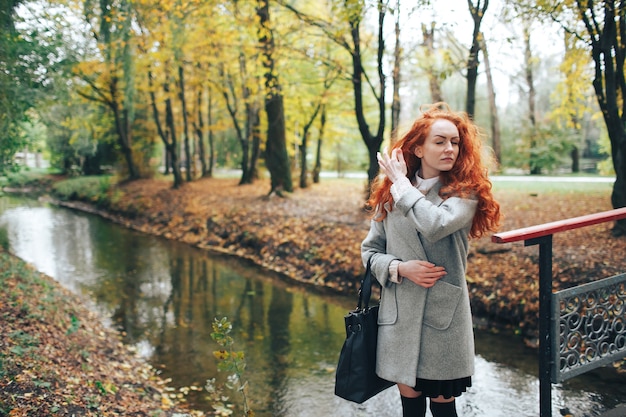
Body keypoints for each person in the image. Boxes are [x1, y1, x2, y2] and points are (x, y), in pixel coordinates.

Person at [361, 102, 501, 417]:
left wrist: (402, 186)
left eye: (455, 142)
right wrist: (399, 268)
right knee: (410, 407)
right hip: (400, 316)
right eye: (440, 141)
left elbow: (434, 225)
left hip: (443, 319)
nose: (449, 148)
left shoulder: (465, 192)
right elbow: (370, 252)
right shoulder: (389, 195)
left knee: (443, 409)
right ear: (419, 149)